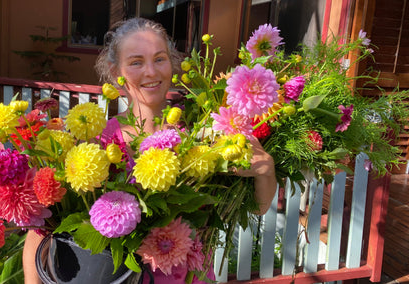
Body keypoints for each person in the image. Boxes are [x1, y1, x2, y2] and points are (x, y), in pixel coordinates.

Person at [23, 17, 277, 284]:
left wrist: (265, 171)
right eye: (136, 62)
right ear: (115, 72)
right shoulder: (94, 146)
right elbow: (42, 228)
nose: (151, 72)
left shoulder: (200, 141)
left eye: (159, 59)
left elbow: (257, 208)